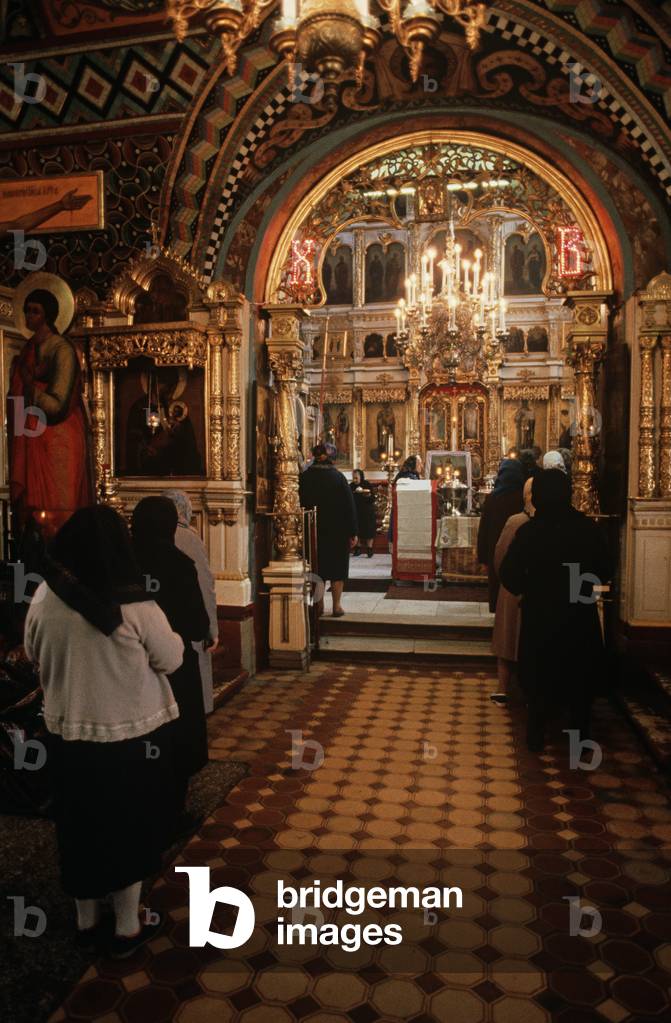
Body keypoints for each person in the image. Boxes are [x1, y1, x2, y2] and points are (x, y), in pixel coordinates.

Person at [24, 506, 184, 958]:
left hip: (67, 732)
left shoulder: (45, 596)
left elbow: (32, 653)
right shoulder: (136, 604)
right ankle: (128, 926)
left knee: (79, 825)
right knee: (128, 825)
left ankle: (86, 920)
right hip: (129, 736)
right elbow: (171, 659)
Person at [499, 469, 611, 752]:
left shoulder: (530, 532)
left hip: (540, 616)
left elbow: (509, 574)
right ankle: (580, 738)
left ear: (537, 496)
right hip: (579, 615)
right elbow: (605, 569)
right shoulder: (588, 529)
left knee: (539, 677)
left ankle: (536, 734)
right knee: (579, 677)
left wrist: (530, 588)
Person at [131, 497, 211, 824]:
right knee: (177, 739)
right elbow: (196, 623)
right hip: (175, 667)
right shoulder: (178, 564)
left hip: (132, 667)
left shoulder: (123, 562)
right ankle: (173, 811)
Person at [8, 289, 92, 538]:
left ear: (48, 315)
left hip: (59, 437)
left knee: (60, 508)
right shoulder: (28, 349)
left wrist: (30, 386)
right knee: (35, 518)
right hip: (33, 433)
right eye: (27, 310)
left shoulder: (62, 348)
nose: (29, 316)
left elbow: (58, 405)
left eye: (35, 311)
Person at [163, 490, 219, 714]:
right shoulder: (188, 537)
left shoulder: (142, 537)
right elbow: (204, 584)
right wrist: (211, 628)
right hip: (187, 621)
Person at [299, 444, 358, 617]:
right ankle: (337, 606)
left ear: (314, 457)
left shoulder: (305, 478)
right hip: (337, 531)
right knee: (337, 570)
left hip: (313, 529)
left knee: (317, 568)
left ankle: (319, 605)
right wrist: (353, 532)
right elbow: (349, 506)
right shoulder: (338, 477)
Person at [490, 477, 534, 705]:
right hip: (537, 591)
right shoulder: (554, 523)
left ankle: (503, 688)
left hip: (513, 589)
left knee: (508, 640)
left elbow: (500, 555)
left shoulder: (516, 521)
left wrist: (505, 579)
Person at [477, 458, 525, 612]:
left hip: (495, 547)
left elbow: (484, 529)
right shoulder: (523, 498)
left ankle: (498, 615)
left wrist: (483, 557)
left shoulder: (492, 498)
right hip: (518, 547)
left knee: (497, 585)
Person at [350, 469, 377, 557]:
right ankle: (358, 548)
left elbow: (372, 498)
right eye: (353, 477)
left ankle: (369, 549)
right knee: (357, 530)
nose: (355, 479)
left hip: (367, 511)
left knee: (369, 530)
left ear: (361, 476)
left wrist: (368, 495)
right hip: (356, 511)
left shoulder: (366, 484)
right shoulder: (351, 486)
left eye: (356, 477)